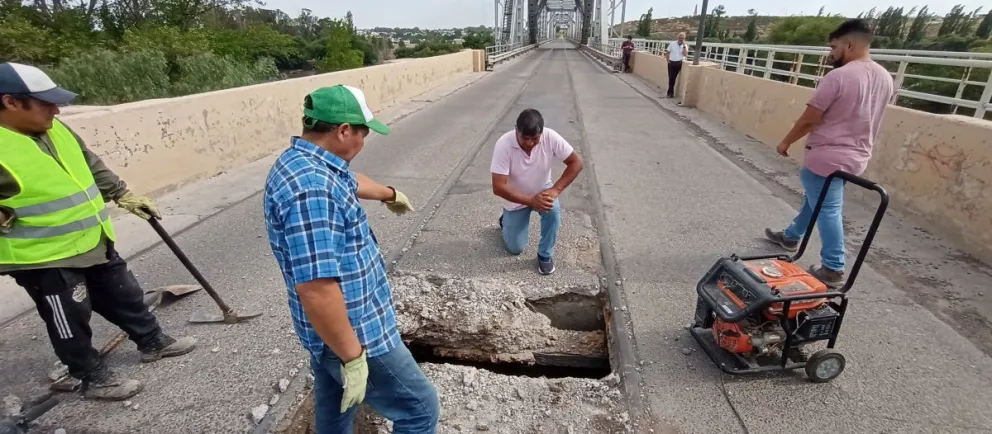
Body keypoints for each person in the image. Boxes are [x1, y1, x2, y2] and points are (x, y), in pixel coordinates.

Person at [0, 62, 197, 401]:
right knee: (69, 317)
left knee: (124, 292)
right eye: (46, 102)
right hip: (43, 255)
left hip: (92, 238)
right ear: (11, 102)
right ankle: (91, 375)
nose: (56, 109)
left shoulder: (55, 129)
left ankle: (152, 341)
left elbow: (89, 164)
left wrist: (122, 193)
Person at [263, 84, 438, 434]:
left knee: (336, 405)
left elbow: (346, 179)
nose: (364, 141)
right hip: (357, 331)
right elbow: (316, 288)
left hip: (328, 332)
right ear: (343, 131)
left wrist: (389, 194)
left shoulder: (303, 160)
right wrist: (354, 357)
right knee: (419, 410)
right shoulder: (311, 189)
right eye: (363, 133)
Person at [764, 19, 894, 288]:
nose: (831, 53)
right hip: (856, 157)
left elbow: (810, 118)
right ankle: (790, 236)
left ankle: (834, 267)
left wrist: (785, 142)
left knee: (828, 208)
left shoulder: (839, 76)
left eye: (834, 47)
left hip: (827, 156)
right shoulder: (884, 77)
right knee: (818, 199)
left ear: (849, 44)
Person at [490, 109, 584, 275]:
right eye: (525, 138)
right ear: (516, 130)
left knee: (553, 209)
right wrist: (530, 201)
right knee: (515, 249)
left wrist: (555, 190)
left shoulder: (550, 137)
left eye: (535, 139)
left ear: (542, 132)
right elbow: (498, 187)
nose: (530, 143)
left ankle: (545, 255)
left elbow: (576, 162)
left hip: (542, 190)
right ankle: (506, 220)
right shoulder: (504, 144)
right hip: (516, 197)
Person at [663, 32, 689, 97]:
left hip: (679, 63)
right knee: (671, 78)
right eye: (680, 38)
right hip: (671, 62)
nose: (681, 40)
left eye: (682, 38)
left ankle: (670, 93)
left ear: (684, 39)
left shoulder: (685, 46)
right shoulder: (672, 44)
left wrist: (683, 46)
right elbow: (667, 52)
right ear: (678, 38)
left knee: (673, 78)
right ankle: (670, 93)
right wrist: (668, 60)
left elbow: (685, 54)